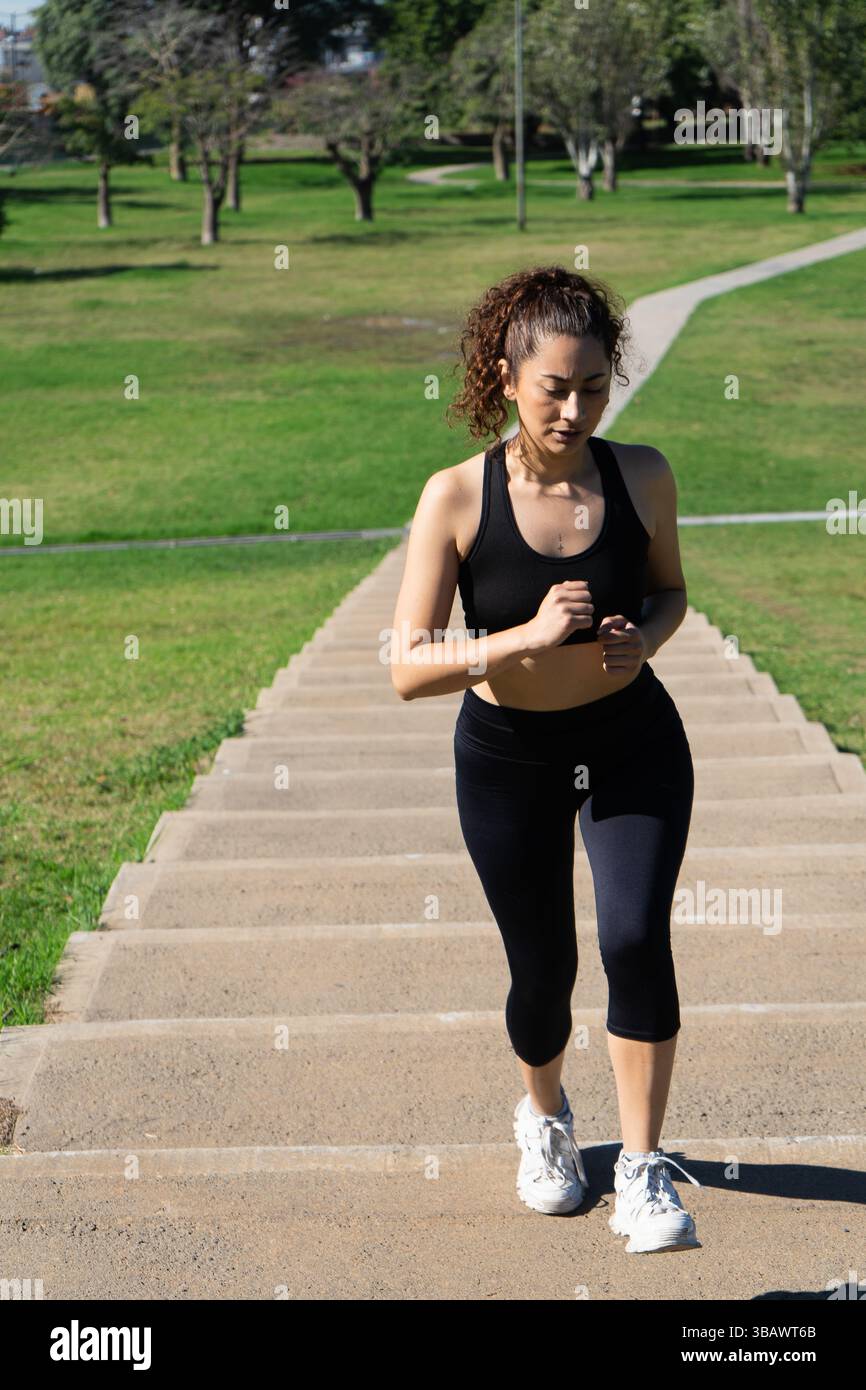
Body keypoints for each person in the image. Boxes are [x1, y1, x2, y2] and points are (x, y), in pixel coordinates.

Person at [389, 265, 701, 1255]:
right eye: (553, 387)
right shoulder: (454, 498)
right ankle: (546, 1117)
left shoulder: (640, 473)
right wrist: (514, 641)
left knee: (634, 939)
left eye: (595, 387)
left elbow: (668, 593)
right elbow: (405, 665)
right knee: (543, 968)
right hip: (508, 756)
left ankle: (645, 1168)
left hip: (629, 744)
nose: (574, 409)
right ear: (504, 373)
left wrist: (640, 643)